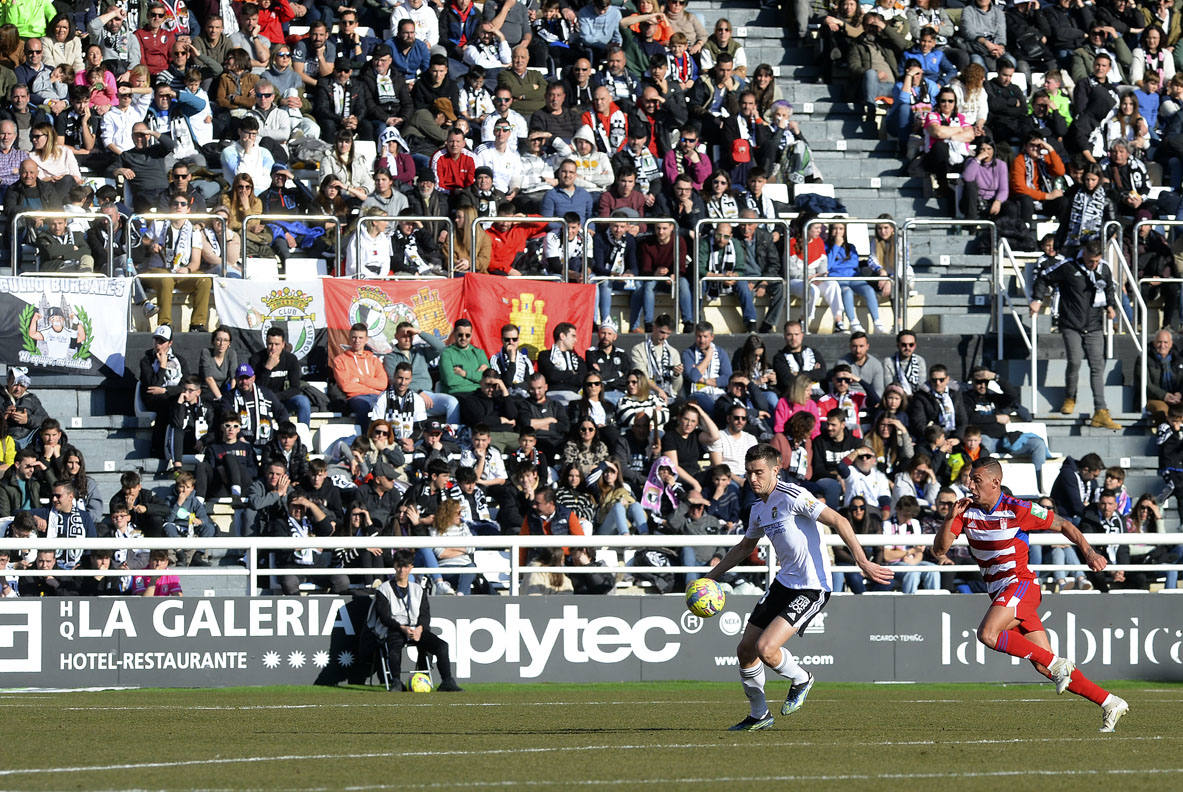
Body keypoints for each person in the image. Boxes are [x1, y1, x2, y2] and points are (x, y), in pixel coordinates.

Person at [933, 457, 1129, 732]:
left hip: (1021, 586)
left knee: (988, 634)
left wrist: (1089, 552)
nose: (969, 485)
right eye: (969, 479)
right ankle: (1109, 701)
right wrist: (950, 518)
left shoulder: (1018, 509)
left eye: (975, 480)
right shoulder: (965, 512)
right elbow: (939, 551)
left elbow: (1064, 525)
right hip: (1000, 593)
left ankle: (1059, 664)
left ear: (994, 482)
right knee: (1044, 666)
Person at [704, 444, 892, 730]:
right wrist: (711, 577)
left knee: (766, 649)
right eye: (749, 473)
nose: (753, 479)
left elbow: (839, 520)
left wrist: (863, 562)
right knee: (745, 650)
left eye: (759, 472)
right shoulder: (757, 509)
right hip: (784, 583)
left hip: (812, 587)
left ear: (775, 470)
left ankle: (802, 678)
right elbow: (744, 547)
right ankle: (759, 715)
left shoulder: (794, 495)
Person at [1030, 238, 1120, 429]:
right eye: (1090, 261)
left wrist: (1110, 306)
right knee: (1075, 360)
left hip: (1094, 324)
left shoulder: (1103, 269)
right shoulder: (1068, 267)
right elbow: (1044, 277)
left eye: (1097, 261)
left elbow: (1109, 288)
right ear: (1084, 253)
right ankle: (1070, 396)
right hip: (1071, 323)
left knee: (1098, 365)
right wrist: (1037, 299)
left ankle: (1100, 410)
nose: (1094, 265)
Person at [363, 550, 463, 691]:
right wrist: (403, 628)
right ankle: (396, 682)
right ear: (394, 566)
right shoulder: (383, 589)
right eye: (399, 566)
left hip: (416, 629)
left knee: (442, 646)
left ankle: (447, 681)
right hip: (394, 629)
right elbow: (384, 617)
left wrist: (420, 629)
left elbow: (425, 615)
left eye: (405, 566)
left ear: (411, 568)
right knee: (394, 647)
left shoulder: (418, 589)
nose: (402, 570)